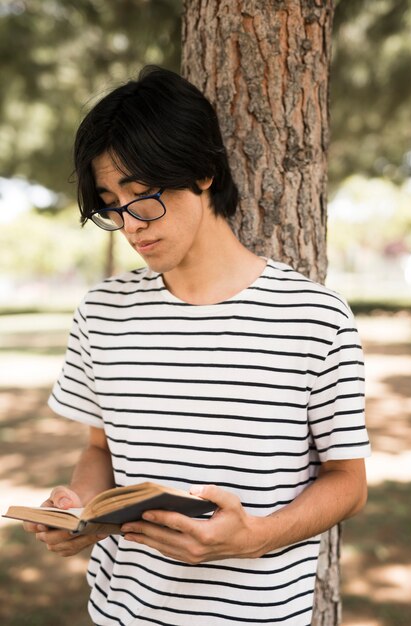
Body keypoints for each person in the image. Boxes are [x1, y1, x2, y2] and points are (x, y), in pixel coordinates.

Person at [23, 65, 370, 626]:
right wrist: (79, 511)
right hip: (120, 612)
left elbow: (348, 484)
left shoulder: (314, 316)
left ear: (204, 172)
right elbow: (100, 450)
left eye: (143, 196)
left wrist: (254, 538)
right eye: (111, 203)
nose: (130, 224)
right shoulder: (102, 313)